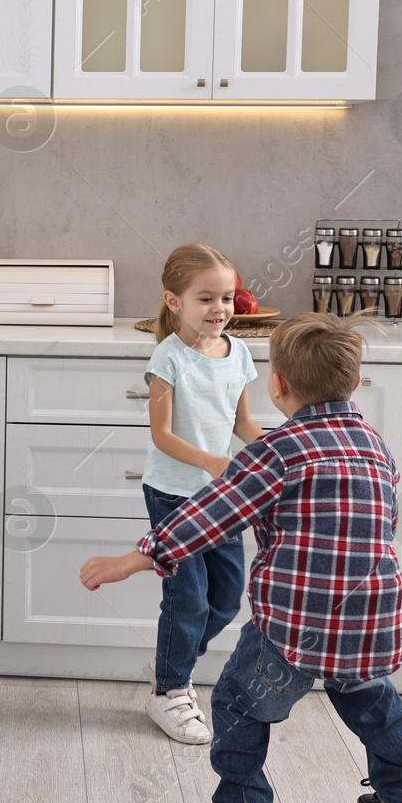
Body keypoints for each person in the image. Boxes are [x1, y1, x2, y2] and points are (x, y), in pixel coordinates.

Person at [79, 312, 402, 803]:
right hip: (373, 620)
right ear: (356, 382)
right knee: (373, 704)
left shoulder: (276, 452)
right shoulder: (376, 446)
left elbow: (212, 513)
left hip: (293, 626)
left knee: (240, 706)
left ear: (278, 384)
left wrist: (135, 558)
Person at [137, 244, 263, 744]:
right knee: (186, 598)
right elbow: (161, 435)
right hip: (173, 493)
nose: (220, 308)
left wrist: (281, 450)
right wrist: (211, 461)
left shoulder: (240, 353)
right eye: (206, 297)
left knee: (228, 599)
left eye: (227, 297)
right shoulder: (167, 358)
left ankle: (171, 659)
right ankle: (169, 690)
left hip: (221, 499)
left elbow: (243, 423)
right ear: (174, 301)